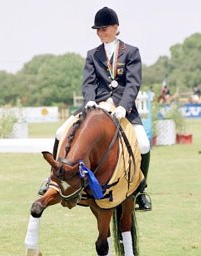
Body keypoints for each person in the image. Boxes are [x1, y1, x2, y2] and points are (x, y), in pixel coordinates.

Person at [38, 7, 151, 211]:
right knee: (59, 132)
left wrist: (124, 106)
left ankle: (141, 190)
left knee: (143, 144)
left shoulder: (131, 52)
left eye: (104, 28)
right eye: (97, 30)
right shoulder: (93, 54)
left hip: (122, 108)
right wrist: (89, 100)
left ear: (116, 28)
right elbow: (88, 82)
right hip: (95, 106)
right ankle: (53, 179)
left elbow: (133, 83)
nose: (101, 32)